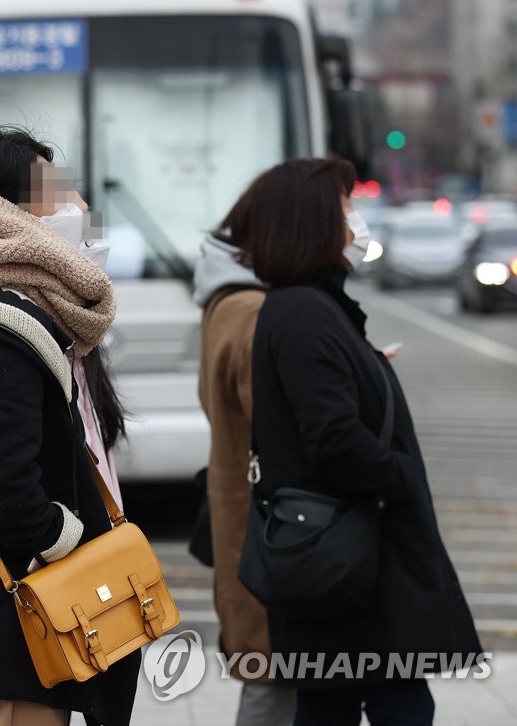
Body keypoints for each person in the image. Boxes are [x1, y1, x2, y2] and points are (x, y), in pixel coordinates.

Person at [0, 122, 139, 726]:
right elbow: (5, 480)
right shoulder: (5, 333)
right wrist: (60, 535)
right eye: (53, 191)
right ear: (0, 210)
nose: (75, 208)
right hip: (15, 605)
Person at [242, 157, 482, 726]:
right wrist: (401, 476)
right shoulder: (303, 311)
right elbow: (334, 439)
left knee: (335, 705)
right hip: (350, 567)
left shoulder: (309, 306)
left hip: (346, 565)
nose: (357, 220)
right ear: (315, 222)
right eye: (347, 208)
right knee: (394, 704)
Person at [194, 182, 296, 726]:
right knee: (273, 686)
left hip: (247, 526)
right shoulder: (253, 309)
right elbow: (286, 422)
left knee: (270, 682)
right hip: (270, 532)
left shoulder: (224, 299)